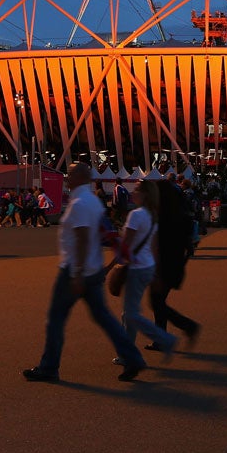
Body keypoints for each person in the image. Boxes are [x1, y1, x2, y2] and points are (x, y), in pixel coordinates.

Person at [23, 163, 146, 383]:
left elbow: (80, 238)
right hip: (92, 268)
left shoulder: (79, 203)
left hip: (74, 270)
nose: (67, 178)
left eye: (70, 174)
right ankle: (133, 357)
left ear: (80, 176)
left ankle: (49, 367)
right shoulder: (92, 201)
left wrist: (77, 273)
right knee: (104, 318)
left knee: (56, 319)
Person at [115, 179, 179, 359]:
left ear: (145, 194)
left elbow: (126, 245)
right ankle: (128, 351)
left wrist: (113, 263)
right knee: (129, 312)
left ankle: (161, 340)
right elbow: (154, 247)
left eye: (136, 190)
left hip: (136, 267)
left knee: (131, 314)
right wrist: (157, 274)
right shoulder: (152, 215)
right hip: (148, 266)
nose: (133, 193)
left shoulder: (135, 215)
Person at [146, 179, 202, 348]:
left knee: (156, 302)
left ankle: (186, 327)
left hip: (164, 267)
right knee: (158, 302)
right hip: (175, 266)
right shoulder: (179, 214)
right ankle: (162, 337)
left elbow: (160, 245)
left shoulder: (162, 218)